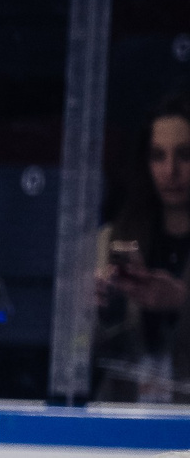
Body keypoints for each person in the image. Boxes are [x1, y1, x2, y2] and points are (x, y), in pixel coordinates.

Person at [95, 91, 190, 403]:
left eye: (185, 155)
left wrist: (182, 301)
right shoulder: (112, 239)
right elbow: (78, 352)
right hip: (125, 415)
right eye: (158, 156)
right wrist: (103, 310)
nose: (170, 171)